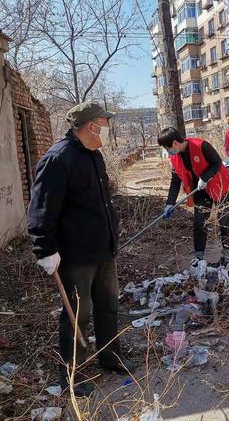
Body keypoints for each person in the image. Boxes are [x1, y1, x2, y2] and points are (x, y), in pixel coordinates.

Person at [27, 102, 134, 397]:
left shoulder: (93, 156)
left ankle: (110, 357)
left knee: (108, 305)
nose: (108, 130)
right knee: (78, 314)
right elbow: (41, 210)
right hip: (76, 255)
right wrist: (44, 249)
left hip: (103, 249)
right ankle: (72, 376)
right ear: (90, 126)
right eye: (105, 123)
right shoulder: (59, 159)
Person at [158, 127, 229, 268]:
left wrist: (205, 177)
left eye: (167, 148)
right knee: (199, 222)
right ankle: (199, 256)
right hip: (199, 191)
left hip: (219, 185)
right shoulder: (175, 157)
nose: (167, 152)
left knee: (224, 219)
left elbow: (217, 162)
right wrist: (170, 203)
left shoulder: (201, 145)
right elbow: (175, 181)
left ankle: (227, 253)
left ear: (175, 143)